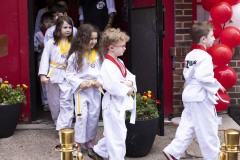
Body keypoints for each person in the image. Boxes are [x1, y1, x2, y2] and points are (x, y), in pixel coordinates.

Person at [163, 21, 226, 160]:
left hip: (190, 94)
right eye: (211, 35)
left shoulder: (191, 55)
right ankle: (213, 157)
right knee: (208, 129)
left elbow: (190, 75)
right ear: (203, 39)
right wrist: (216, 86)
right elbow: (203, 77)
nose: (214, 38)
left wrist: (214, 83)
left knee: (188, 126)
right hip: (200, 96)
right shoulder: (205, 56)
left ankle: (173, 151)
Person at [88, 28, 137, 160]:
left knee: (115, 132)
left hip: (118, 102)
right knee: (117, 135)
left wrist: (128, 84)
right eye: (122, 46)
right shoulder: (107, 65)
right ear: (111, 47)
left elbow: (130, 77)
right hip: (112, 103)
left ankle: (98, 151)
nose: (124, 48)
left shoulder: (119, 62)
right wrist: (127, 87)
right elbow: (113, 86)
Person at [65, 24, 104, 152]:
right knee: (82, 116)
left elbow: (105, 72)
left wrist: (100, 81)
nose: (93, 41)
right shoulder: (75, 55)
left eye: (95, 39)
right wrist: (79, 82)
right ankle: (78, 142)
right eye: (90, 39)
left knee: (93, 115)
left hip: (95, 90)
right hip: (82, 90)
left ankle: (90, 140)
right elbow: (69, 74)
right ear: (82, 39)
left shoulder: (99, 54)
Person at [38, 16, 74, 130]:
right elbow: (44, 58)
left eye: (70, 27)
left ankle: (64, 127)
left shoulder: (73, 43)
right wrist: (43, 75)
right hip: (53, 74)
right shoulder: (50, 42)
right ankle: (57, 121)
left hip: (68, 74)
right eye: (65, 27)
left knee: (66, 101)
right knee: (54, 103)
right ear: (58, 29)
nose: (68, 30)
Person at [34, 12, 54, 111]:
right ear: (41, 23)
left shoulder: (55, 34)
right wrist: (39, 46)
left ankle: (53, 102)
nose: (49, 24)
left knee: (53, 81)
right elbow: (33, 46)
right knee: (43, 81)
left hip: (54, 61)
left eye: (51, 22)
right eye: (46, 22)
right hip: (41, 58)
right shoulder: (38, 34)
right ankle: (45, 102)